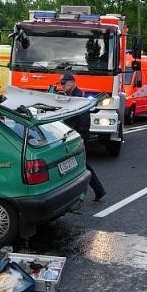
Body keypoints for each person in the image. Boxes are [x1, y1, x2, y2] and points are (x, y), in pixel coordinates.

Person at [60, 73, 106, 202]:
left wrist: (81, 139)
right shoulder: (69, 96)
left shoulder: (79, 97)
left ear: (72, 82)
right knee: (79, 164)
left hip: (77, 137)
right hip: (71, 136)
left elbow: (84, 121)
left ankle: (92, 191)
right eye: (61, 83)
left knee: (78, 164)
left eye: (64, 82)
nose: (62, 85)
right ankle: (98, 190)